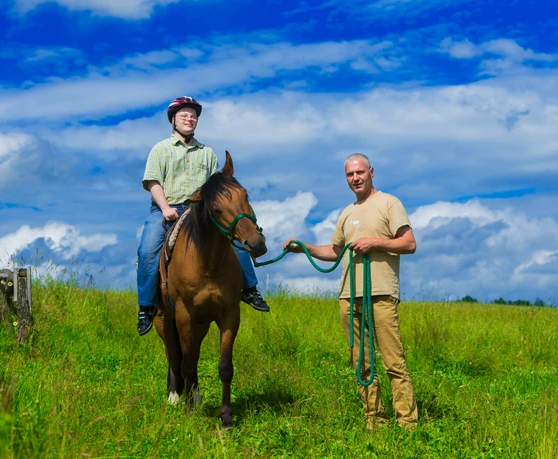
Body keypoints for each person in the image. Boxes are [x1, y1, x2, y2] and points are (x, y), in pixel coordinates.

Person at [283, 153, 418, 431]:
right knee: (361, 364)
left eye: (360, 172)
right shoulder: (346, 212)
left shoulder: (389, 203)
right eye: (349, 175)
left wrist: (375, 243)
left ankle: (408, 424)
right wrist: (304, 247)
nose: (355, 178)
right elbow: (334, 252)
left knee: (394, 361)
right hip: (348, 295)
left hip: (380, 293)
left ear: (371, 172)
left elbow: (409, 243)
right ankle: (374, 422)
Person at [137, 96, 270, 336]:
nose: (189, 119)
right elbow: (153, 182)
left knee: (235, 238)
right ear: (173, 120)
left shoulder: (207, 152)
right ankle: (146, 306)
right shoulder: (161, 149)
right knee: (147, 249)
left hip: (200, 210)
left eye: (193, 116)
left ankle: (249, 289)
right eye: (184, 115)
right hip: (166, 208)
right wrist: (166, 208)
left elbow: (216, 187)